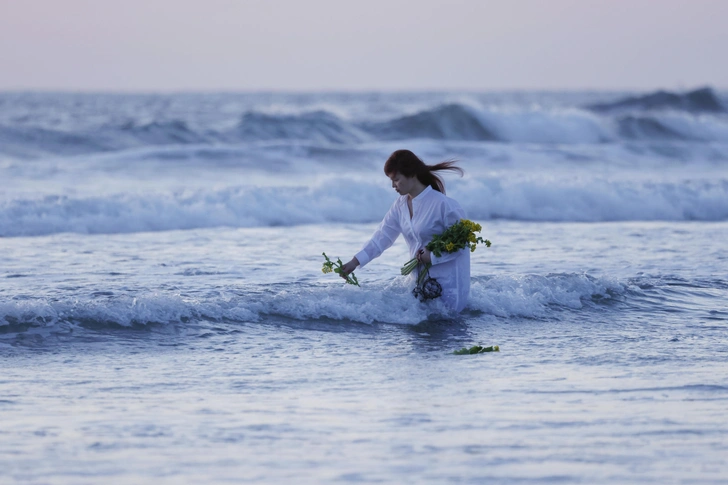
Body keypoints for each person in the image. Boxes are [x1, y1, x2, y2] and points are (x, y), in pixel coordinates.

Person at [340, 149, 471, 312]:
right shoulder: (400, 205)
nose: (393, 185)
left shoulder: (444, 205)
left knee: (443, 328)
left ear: (412, 175)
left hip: (449, 286)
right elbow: (383, 236)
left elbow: (463, 243)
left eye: (396, 179)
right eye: (391, 180)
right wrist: (355, 262)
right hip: (418, 283)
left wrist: (433, 256)